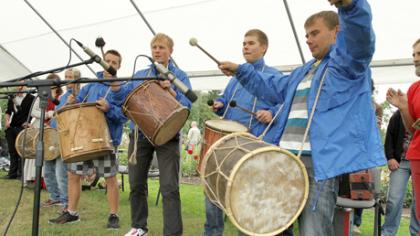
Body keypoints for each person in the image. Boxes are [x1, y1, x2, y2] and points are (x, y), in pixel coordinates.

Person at [217, 0, 386, 235]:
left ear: (337, 32)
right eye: (306, 35)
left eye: (315, 33)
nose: (308, 39)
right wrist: (240, 70)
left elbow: (361, 37)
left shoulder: (348, 64)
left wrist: (350, 6)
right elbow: (272, 87)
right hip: (284, 161)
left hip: (318, 167)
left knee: (312, 231)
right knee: (273, 226)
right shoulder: (303, 71)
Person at [205, 29, 288, 236]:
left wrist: (272, 112)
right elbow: (226, 101)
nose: (246, 47)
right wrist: (220, 105)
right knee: (213, 189)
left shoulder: (274, 76)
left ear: (264, 48)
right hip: (231, 144)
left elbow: (288, 104)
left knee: (247, 200)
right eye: (244, 44)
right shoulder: (235, 78)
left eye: (251, 43)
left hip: (256, 146)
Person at [110, 33, 192, 236]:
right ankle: (139, 227)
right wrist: (113, 83)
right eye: (154, 47)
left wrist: (172, 90)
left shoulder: (179, 76)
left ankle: (172, 233)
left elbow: (188, 104)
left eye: (162, 47)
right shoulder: (141, 72)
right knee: (136, 183)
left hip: (169, 135)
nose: (157, 50)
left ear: (170, 51)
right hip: (140, 135)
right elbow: (122, 97)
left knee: (169, 188)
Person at [49, 50, 127, 229]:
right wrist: (71, 102)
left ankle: (113, 215)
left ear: (119, 66)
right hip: (82, 140)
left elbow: (124, 116)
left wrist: (109, 109)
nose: (109, 65)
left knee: (110, 178)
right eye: (107, 61)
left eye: (114, 63)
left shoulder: (120, 87)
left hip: (105, 141)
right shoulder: (90, 85)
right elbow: (75, 108)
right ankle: (72, 212)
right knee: (73, 175)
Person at [386, 38, 420, 235]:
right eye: (413, 54)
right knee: (397, 199)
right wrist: (404, 107)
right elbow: (413, 130)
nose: (415, 59)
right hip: (411, 158)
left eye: (419, 54)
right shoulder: (414, 89)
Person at [381, 110, 419, 236]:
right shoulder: (399, 115)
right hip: (400, 162)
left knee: (418, 202)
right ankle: (388, 232)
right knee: (394, 199)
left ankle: (416, 233)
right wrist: (390, 157)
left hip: (418, 161)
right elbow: (389, 136)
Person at [29, 73, 63, 205]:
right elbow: (33, 111)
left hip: (58, 133)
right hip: (45, 132)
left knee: (58, 170)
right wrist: (48, 114)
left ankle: (60, 197)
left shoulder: (62, 97)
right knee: (48, 168)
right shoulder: (43, 95)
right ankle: (54, 197)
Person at [3, 85, 35, 180]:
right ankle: (12, 173)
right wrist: (6, 121)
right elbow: (8, 112)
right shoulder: (12, 97)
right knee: (12, 151)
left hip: (23, 128)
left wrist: (29, 123)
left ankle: (21, 174)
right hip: (12, 128)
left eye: (22, 86)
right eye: (18, 85)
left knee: (22, 151)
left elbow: (34, 113)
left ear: (26, 87)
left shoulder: (31, 98)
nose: (19, 87)